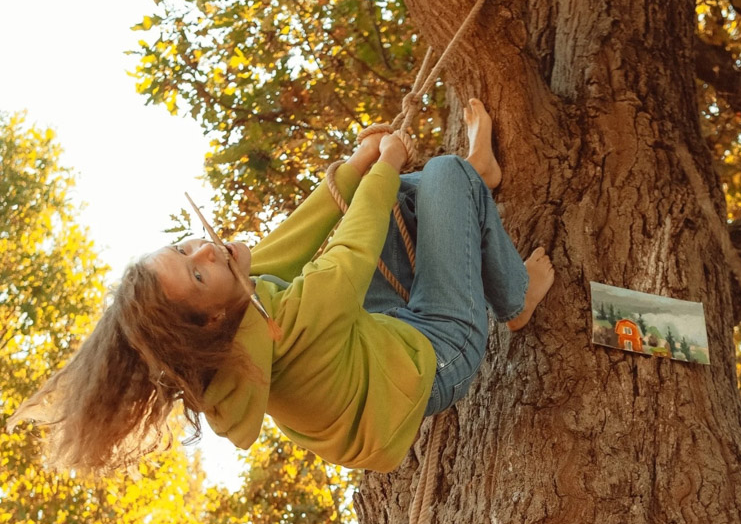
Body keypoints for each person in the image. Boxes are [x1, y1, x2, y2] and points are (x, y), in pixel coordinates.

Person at [8, 100, 554, 474]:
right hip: (437, 355)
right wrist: (383, 164)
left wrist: (359, 165)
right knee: (440, 177)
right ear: (213, 317)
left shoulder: (239, 315)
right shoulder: (279, 328)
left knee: (393, 197)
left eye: (183, 249)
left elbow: (293, 242)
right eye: (197, 273)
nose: (203, 249)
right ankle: (515, 296)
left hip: (381, 344)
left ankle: (474, 188)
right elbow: (346, 258)